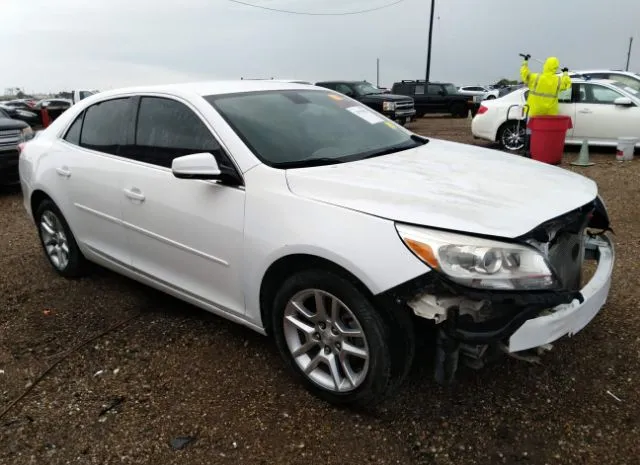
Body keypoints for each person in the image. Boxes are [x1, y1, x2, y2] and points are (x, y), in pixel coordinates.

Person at [519, 55, 572, 155]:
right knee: (547, 134)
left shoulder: (536, 77)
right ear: (556, 67)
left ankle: (528, 151)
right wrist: (565, 73)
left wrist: (525, 62)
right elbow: (567, 84)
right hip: (550, 112)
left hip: (534, 111)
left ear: (545, 65)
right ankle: (545, 152)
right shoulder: (558, 80)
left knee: (531, 131)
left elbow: (524, 75)